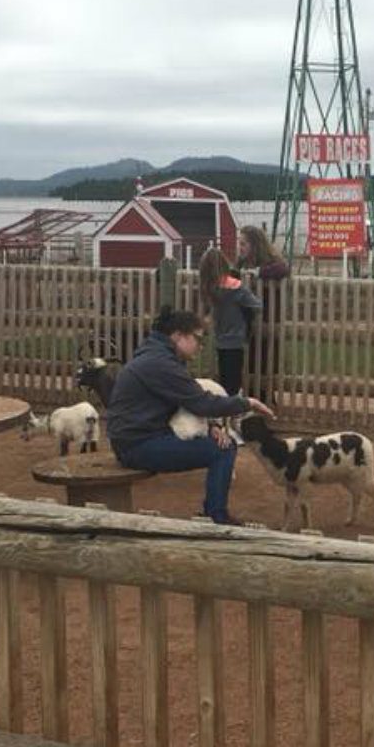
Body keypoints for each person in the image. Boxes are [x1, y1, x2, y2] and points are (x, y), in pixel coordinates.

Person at [107, 306, 274, 526]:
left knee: (220, 443)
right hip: (136, 446)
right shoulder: (161, 364)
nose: (201, 346)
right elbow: (202, 402)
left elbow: (186, 402)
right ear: (178, 335)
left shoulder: (157, 356)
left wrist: (212, 426)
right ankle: (217, 516)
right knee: (223, 450)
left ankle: (214, 513)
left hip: (138, 437)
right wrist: (247, 403)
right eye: (198, 338)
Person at [235, 225, 290, 405]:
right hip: (248, 324)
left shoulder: (270, 262)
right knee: (248, 364)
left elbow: (283, 269)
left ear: (255, 245)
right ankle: (250, 402)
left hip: (268, 322)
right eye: (239, 243)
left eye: (243, 243)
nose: (239, 247)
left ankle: (266, 401)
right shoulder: (241, 264)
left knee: (266, 364)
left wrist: (259, 273)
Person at [198, 246, 261, 396]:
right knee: (233, 381)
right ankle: (233, 412)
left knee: (224, 379)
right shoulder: (236, 288)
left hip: (220, 339)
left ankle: (225, 411)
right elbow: (256, 305)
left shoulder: (210, 288)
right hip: (236, 340)